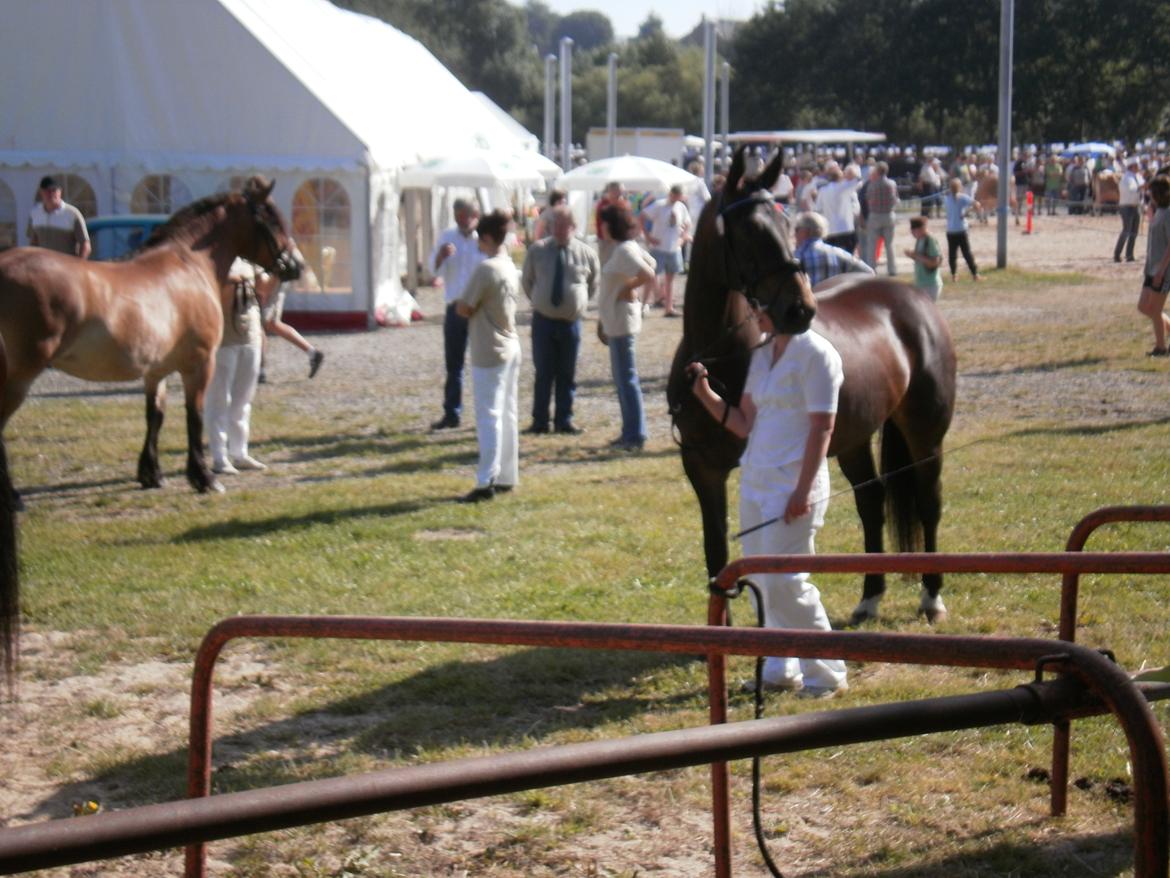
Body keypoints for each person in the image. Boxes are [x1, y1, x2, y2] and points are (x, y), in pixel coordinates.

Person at [685, 286, 848, 698]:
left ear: (779, 310)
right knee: (759, 578)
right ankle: (780, 666)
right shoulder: (762, 355)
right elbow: (743, 423)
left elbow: (822, 427)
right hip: (756, 480)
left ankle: (827, 673)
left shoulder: (818, 356)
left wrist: (804, 489)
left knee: (788, 583)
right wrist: (704, 392)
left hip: (793, 486)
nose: (753, 315)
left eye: (759, 309)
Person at [455, 210, 521, 501]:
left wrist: (460, 302)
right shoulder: (508, 265)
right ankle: (507, 474)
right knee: (507, 413)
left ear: (487, 238)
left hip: (488, 347)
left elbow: (464, 307)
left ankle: (485, 480)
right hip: (510, 344)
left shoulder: (486, 269)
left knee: (488, 415)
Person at [520, 205, 599, 435]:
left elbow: (593, 284)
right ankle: (540, 421)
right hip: (543, 321)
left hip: (570, 322)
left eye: (565, 225)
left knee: (567, 372)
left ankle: (564, 420)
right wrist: (539, 299)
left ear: (574, 227)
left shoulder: (586, 253)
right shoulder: (537, 250)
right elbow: (527, 281)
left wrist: (578, 303)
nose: (560, 230)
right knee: (543, 372)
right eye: (556, 225)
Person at [207, 259, 279, 474]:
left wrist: (277, 272)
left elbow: (263, 288)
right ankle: (219, 457)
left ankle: (239, 452)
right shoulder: (215, 256)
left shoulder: (249, 259)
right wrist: (233, 279)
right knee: (219, 399)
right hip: (223, 338)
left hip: (250, 335)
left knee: (243, 399)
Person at [597, 203, 656, 452]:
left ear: (610, 225)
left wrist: (627, 288)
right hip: (617, 321)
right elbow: (651, 263)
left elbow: (648, 273)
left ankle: (635, 434)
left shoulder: (623, 250)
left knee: (626, 379)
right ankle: (629, 431)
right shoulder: (626, 247)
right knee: (623, 379)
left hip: (622, 322)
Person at [430, 199, 483, 430]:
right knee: (454, 363)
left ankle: (484, 412)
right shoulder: (447, 236)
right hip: (455, 306)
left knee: (483, 363)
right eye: (459, 216)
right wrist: (440, 257)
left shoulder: (484, 239)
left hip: (479, 309)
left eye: (467, 215)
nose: (463, 220)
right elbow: (432, 269)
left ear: (476, 215)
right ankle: (452, 412)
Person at [258, 242, 325, 382]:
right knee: (271, 323)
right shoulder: (274, 223)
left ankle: (260, 371)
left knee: (260, 323)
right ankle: (313, 353)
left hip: (275, 270)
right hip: (280, 269)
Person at [643, 184, 691, 317]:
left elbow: (687, 223)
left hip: (673, 248)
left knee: (670, 278)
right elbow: (642, 216)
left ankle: (669, 308)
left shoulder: (681, 207)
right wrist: (648, 236)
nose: (676, 199)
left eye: (678, 197)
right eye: (674, 196)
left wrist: (682, 239)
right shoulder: (659, 205)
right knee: (651, 275)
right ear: (671, 194)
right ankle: (644, 304)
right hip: (658, 247)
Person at [792, 211, 873, 287]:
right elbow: (869, 272)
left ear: (805, 231)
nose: (794, 234)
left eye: (796, 230)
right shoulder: (839, 253)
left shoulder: (795, 257)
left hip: (808, 300)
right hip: (834, 300)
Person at [1137, 176, 1170, 357]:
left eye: (1151, 192)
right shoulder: (1159, 212)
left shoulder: (1168, 214)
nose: (1149, 196)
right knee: (1144, 307)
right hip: (1151, 268)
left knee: (1155, 310)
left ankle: (1160, 347)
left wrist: (1161, 270)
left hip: (1162, 271)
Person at [26, 176, 90, 258]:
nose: (51, 194)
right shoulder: (34, 213)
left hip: (65, 266)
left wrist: (79, 266)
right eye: (47, 191)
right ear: (41, 192)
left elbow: (85, 245)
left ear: (60, 192)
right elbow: (34, 242)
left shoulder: (72, 214)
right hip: (43, 266)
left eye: (54, 190)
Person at [814, 163, 863, 255]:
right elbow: (858, 181)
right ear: (840, 178)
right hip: (845, 227)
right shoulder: (844, 187)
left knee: (832, 255)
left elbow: (818, 209)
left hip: (830, 229)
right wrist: (852, 173)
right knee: (848, 254)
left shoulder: (822, 191)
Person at [863, 161, 899, 275]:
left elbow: (868, 198)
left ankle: (871, 269)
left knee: (872, 244)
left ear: (877, 171)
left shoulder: (872, 185)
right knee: (890, 244)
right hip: (889, 214)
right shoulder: (892, 184)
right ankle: (892, 269)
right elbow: (896, 199)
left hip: (875, 215)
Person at [942, 178, 981, 282]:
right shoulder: (963, 198)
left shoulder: (946, 198)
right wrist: (967, 212)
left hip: (950, 230)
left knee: (952, 253)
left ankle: (954, 275)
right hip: (961, 229)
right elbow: (977, 205)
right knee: (966, 252)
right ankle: (975, 274)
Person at [904, 216, 943, 301]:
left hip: (930, 284)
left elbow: (935, 262)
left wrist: (916, 256)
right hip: (921, 284)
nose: (912, 233)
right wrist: (912, 255)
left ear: (922, 228)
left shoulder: (930, 240)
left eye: (914, 230)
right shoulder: (919, 240)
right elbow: (921, 258)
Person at [1115, 157, 1146, 263]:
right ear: (1132, 166)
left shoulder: (1138, 177)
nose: (1138, 168)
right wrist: (1142, 187)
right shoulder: (1126, 178)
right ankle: (1117, 254)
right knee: (1126, 230)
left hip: (1136, 205)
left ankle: (1129, 255)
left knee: (1134, 232)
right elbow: (1131, 190)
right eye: (1137, 166)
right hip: (1127, 206)